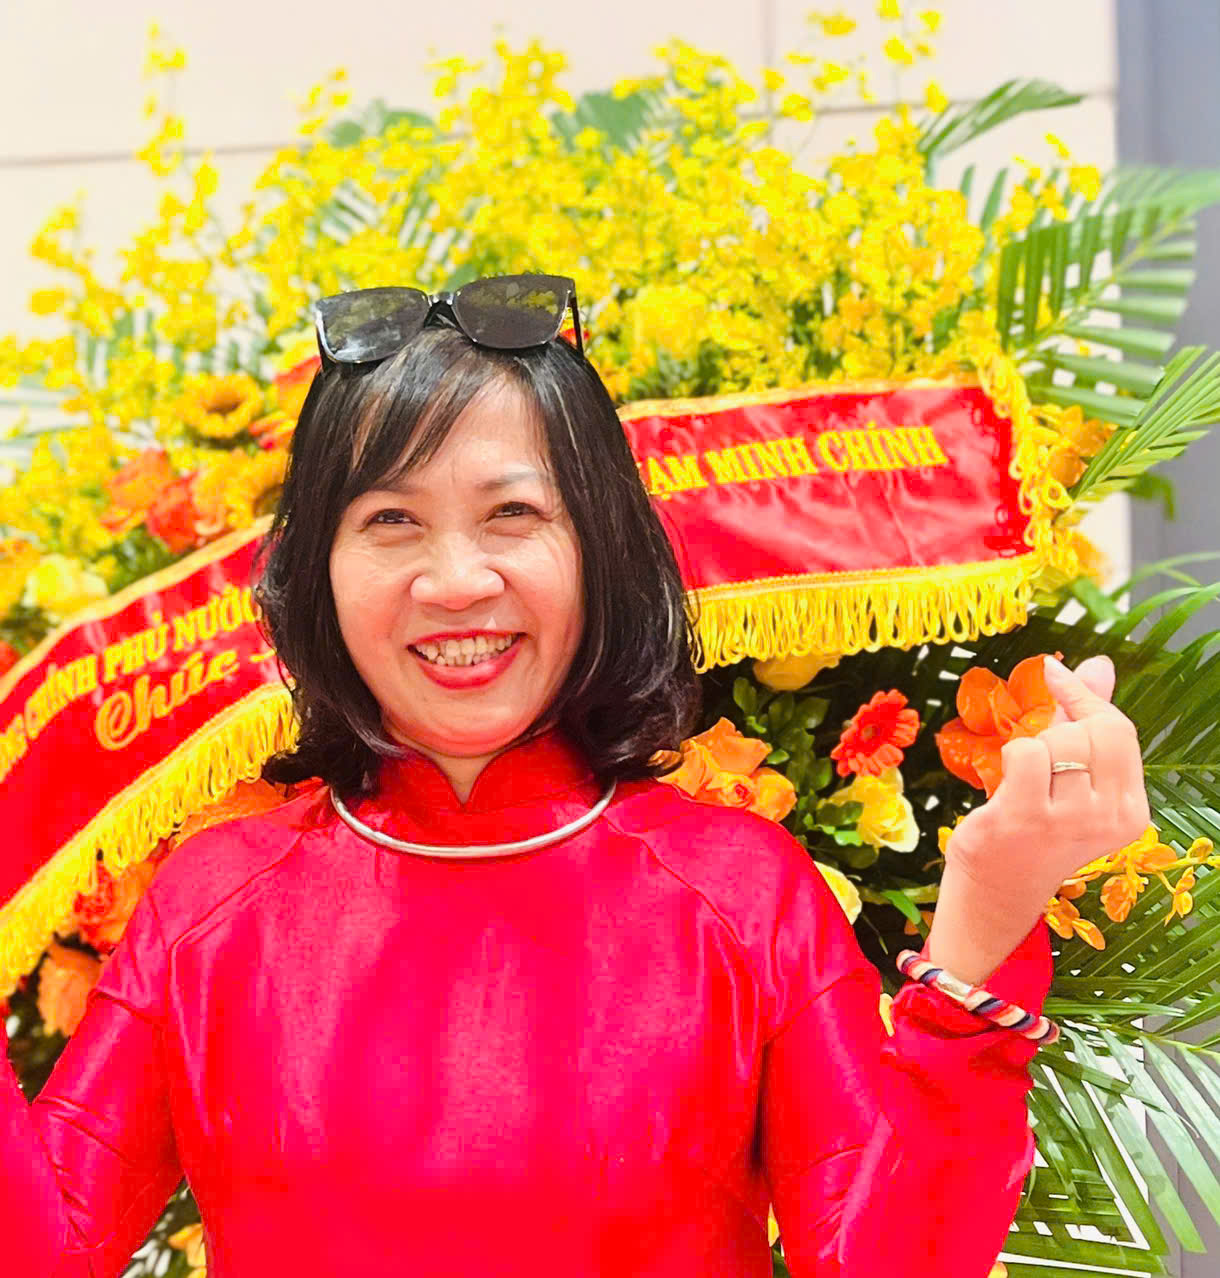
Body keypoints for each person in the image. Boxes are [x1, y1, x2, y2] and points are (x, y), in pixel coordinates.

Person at [1, 276, 1150, 1277]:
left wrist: (986, 923)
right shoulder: (210, 905)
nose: (455, 580)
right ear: (315, 575)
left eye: (511, 513)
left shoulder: (739, 895)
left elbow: (889, 1259)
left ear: (600, 548)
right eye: (391, 520)